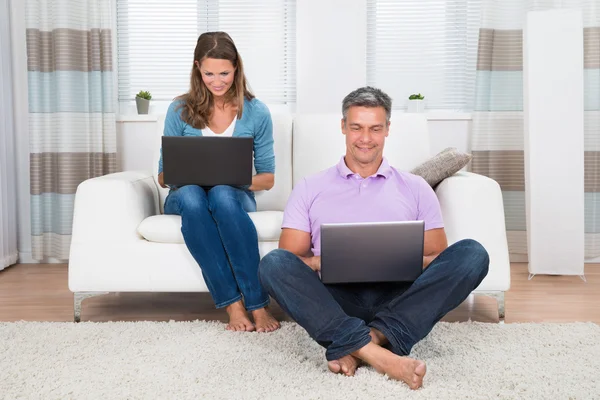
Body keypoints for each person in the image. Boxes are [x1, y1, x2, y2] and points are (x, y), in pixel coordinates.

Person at [258, 86, 489, 388]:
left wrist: (397, 259)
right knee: (273, 264)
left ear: (387, 130)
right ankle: (383, 355)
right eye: (356, 128)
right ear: (343, 127)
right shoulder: (310, 187)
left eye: (374, 129)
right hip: (335, 299)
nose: (365, 138)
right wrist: (320, 261)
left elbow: (439, 260)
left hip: (399, 296)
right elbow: (290, 259)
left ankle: (361, 342)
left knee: (473, 254)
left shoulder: (416, 187)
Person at [157, 32, 280, 333]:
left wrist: (230, 177)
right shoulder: (179, 110)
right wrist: (190, 176)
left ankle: (258, 303)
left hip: (233, 195)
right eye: (209, 73)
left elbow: (267, 178)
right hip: (186, 196)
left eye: (224, 73)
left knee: (223, 194)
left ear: (236, 68)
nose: (217, 81)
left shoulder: (256, 112)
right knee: (193, 195)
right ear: (197, 68)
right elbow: (163, 176)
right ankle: (233, 304)